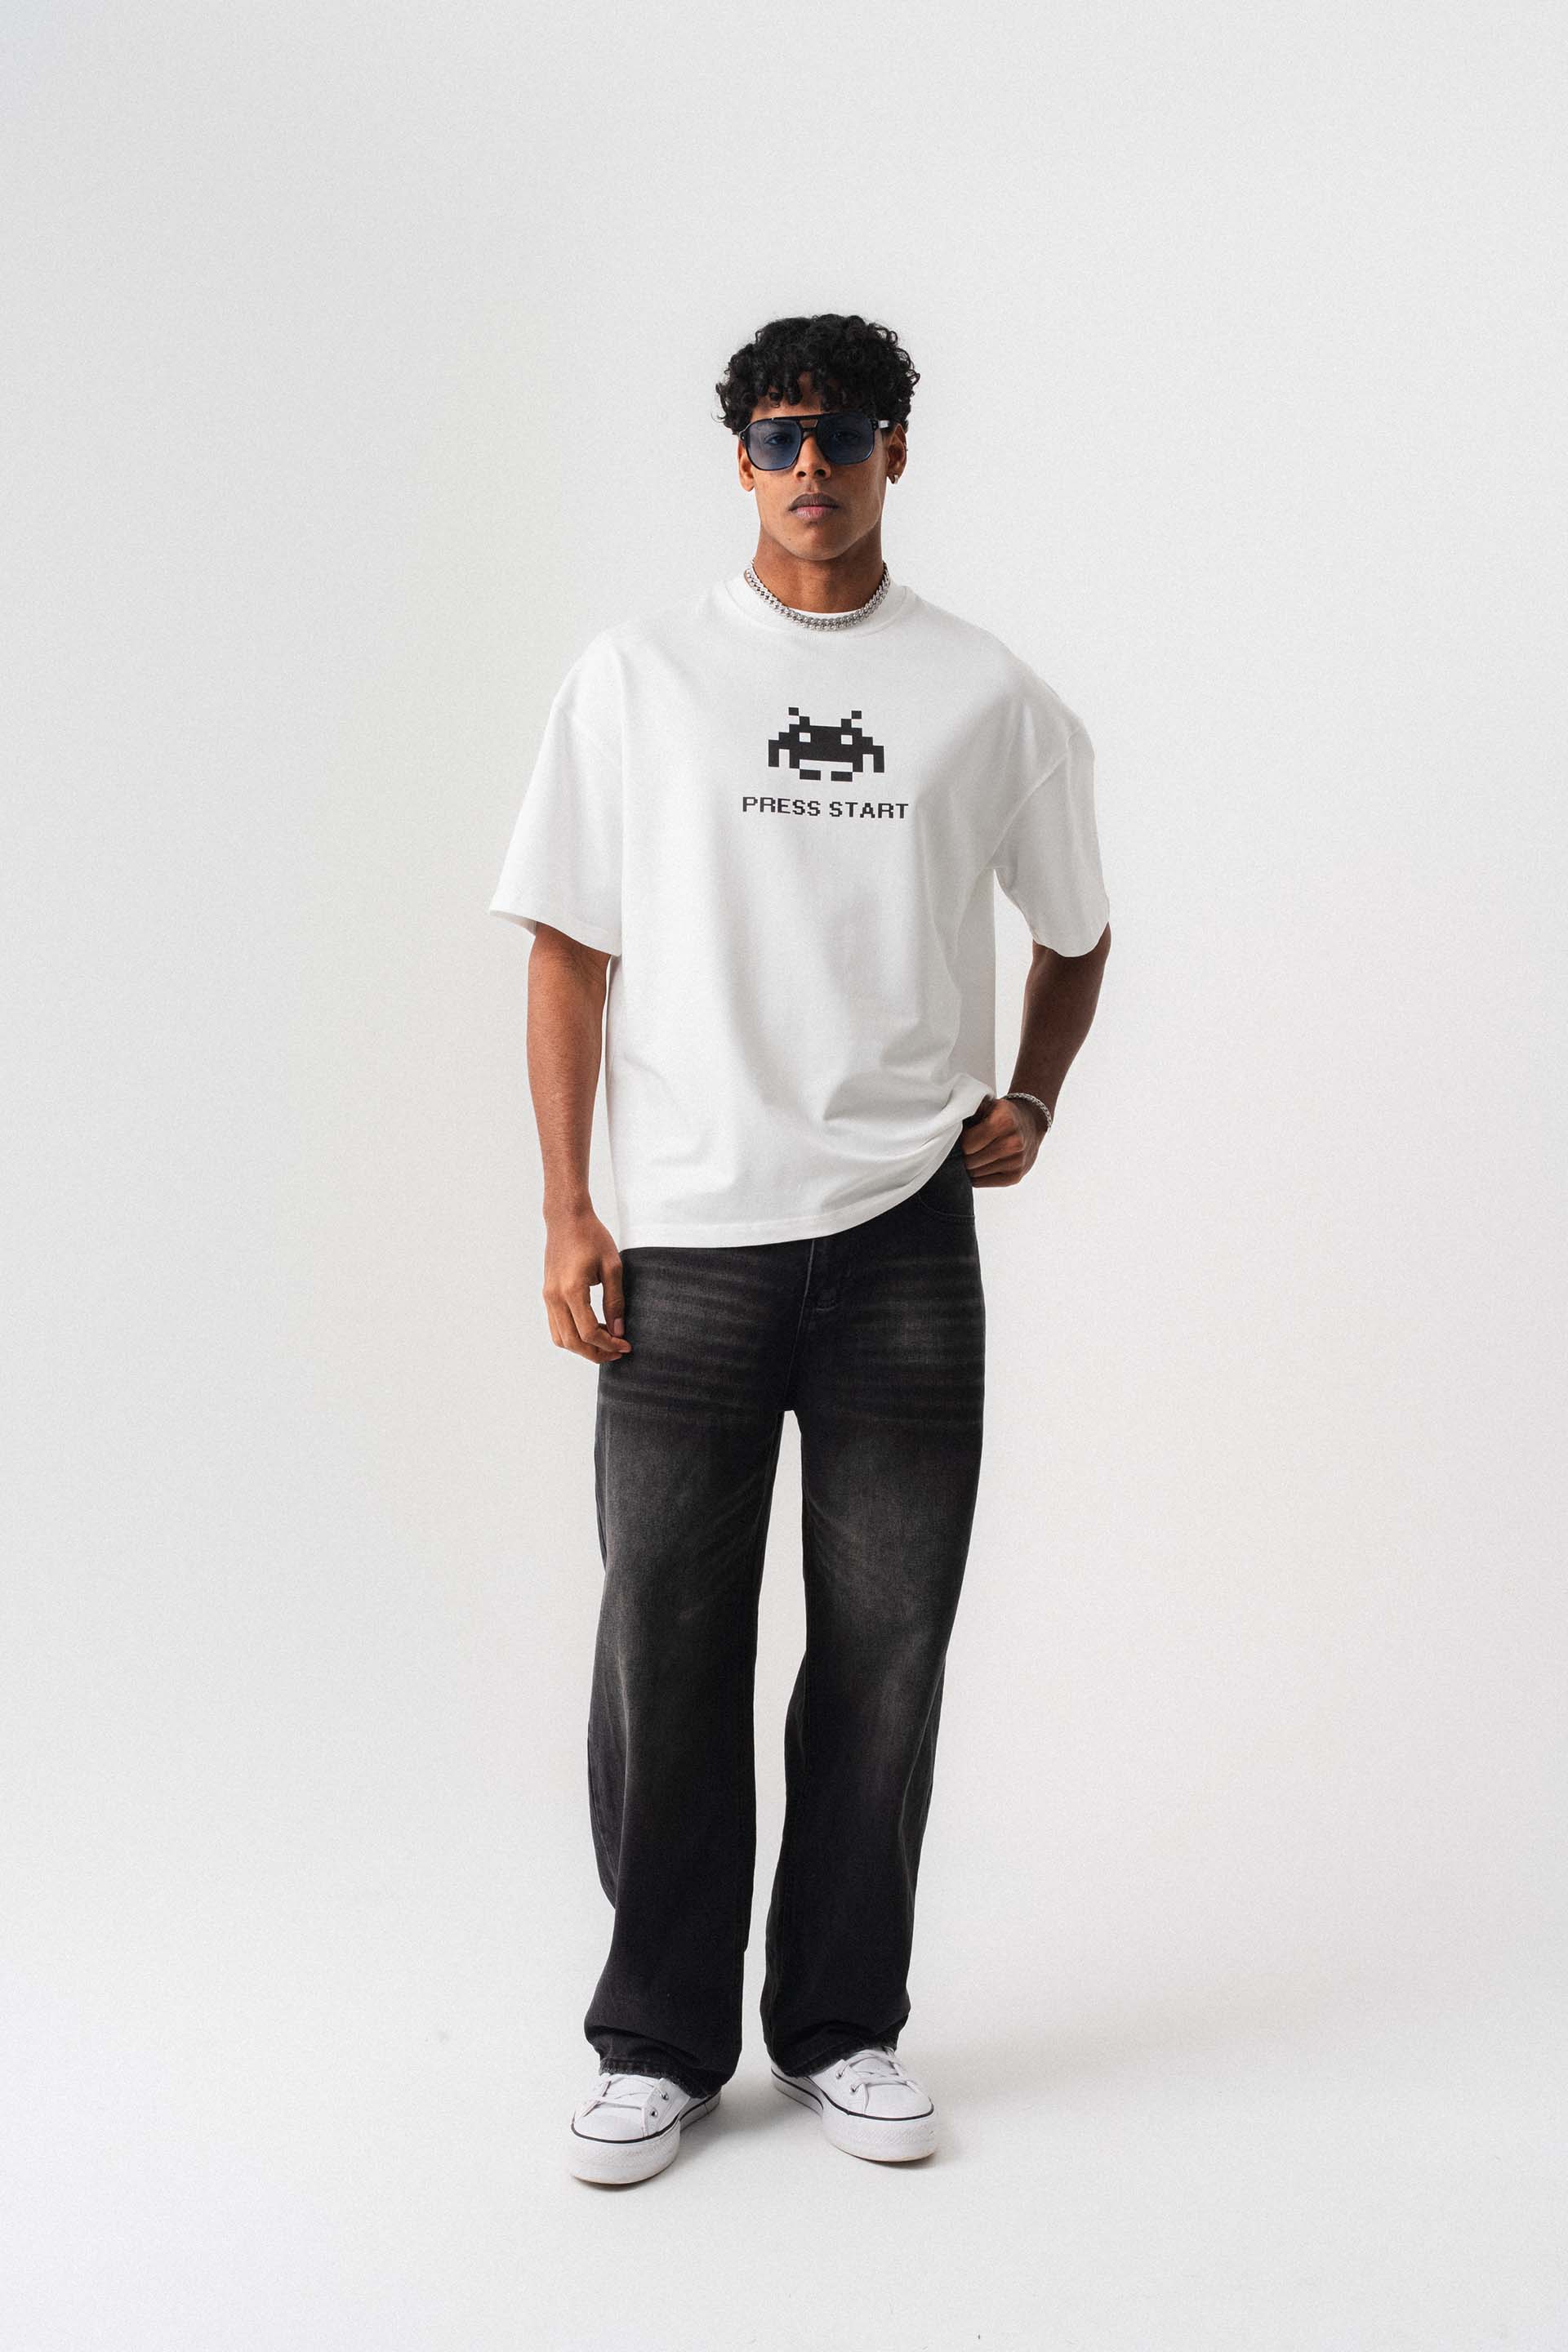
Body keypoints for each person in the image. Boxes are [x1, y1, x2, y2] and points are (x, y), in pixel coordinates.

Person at [488, 312, 1111, 2185]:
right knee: (665, 1646)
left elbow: (1077, 927)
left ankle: (843, 2025)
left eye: (843, 434)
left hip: (905, 1239)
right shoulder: (640, 677)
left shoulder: (986, 693)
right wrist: (567, 1204)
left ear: (897, 450)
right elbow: (568, 950)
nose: (811, 466)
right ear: (740, 458)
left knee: (885, 1652)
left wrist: (1035, 1093)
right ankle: (658, 2041)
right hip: (689, 1236)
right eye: (778, 436)